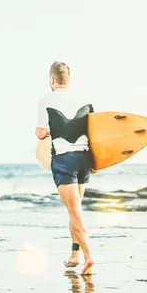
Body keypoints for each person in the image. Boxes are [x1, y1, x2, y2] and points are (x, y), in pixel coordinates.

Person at [35, 61, 96, 275]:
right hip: (85, 159)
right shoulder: (85, 100)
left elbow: (40, 132)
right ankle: (74, 254)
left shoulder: (46, 100)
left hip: (63, 160)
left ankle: (89, 257)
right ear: (68, 80)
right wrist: (96, 163)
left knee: (75, 211)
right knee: (74, 210)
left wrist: (49, 132)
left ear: (52, 80)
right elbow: (94, 131)